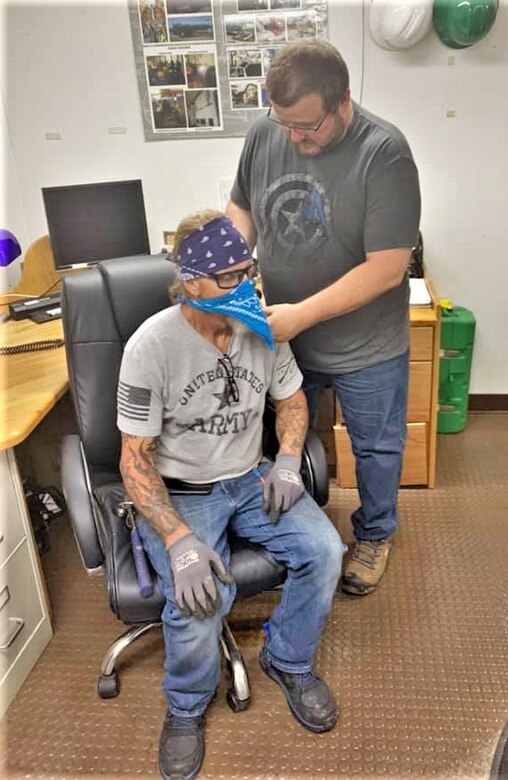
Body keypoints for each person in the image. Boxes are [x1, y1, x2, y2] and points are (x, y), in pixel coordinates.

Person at [117, 209, 344, 780]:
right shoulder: (152, 346)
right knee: (201, 598)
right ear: (190, 280)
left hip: (250, 477)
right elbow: (134, 458)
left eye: (251, 272)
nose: (247, 287)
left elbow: (291, 402)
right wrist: (176, 538)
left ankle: (287, 659)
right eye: (230, 277)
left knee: (325, 551)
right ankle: (187, 708)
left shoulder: (260, 327)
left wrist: (289, 460)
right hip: (182, 489)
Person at [226, 39, 421, 597]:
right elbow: (242, 204)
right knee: (285, 439)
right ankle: (301, 536)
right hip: (286, 340)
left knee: (376, 450)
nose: (294, 137)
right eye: (284, 123)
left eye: (307, 126)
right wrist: (233, 266)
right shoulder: (267, 132)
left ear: (343, 102)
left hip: (368, 345)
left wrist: (300, 316)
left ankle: (375, 533)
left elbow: (387, 269)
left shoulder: (385, 153)